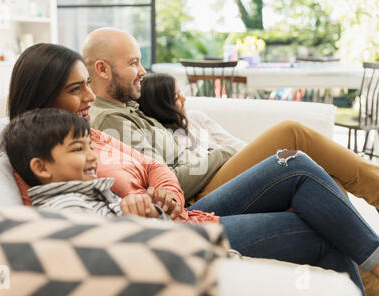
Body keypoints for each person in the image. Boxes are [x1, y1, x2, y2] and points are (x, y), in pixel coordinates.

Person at [6, 42, 379, 296]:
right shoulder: (39, 149)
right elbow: (65, 226)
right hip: (174, 236)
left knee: (294, 162)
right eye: (77, 89)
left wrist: (164, 192)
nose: (89, 96)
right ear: (44, 95)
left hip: (181, 211)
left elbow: (152, 165)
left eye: (88, 85)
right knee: (318, 222)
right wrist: (130, 209)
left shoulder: (88, 133)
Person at [81, 27, 379, 209]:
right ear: (103, 69)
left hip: (206, 182)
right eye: (133, 63)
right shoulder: (109, 121)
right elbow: (166, 183)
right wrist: (221, 154)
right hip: (199, 195)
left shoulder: (126, 109)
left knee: (325, 184)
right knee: (292, 134)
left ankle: (369, 284)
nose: (143, 71)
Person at [1, 107, 170, 220]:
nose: (92, 156)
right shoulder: (66, 209)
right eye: (77, 149)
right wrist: (134, 218)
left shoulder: (95, 194)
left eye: (90, 146)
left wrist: (151, 212)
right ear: (41, 167)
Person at [138, 72, 247, 158]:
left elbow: (233, 143)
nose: (184, 99)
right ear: (161, 107)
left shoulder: (196, 117)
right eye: (176, 97)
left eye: (180, 92)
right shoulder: (165, 140)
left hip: (235, 165)